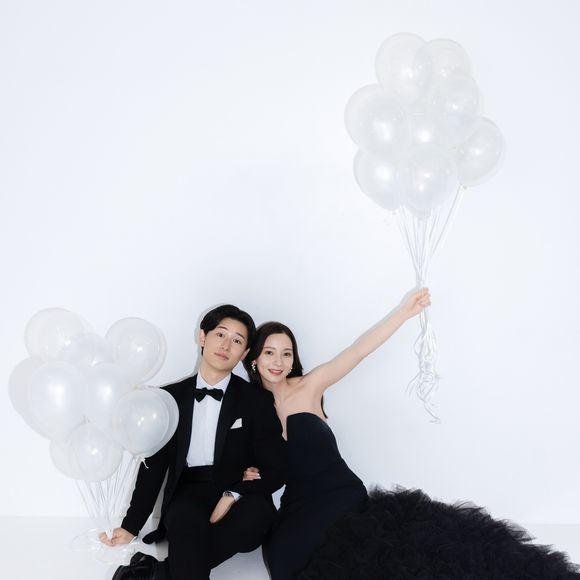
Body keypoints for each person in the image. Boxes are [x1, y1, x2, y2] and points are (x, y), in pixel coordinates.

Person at [242, 288, 580, 580]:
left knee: (401, 558)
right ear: (254, 358)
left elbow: (358, 350)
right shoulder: (250, 409)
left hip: (340, 497)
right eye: (269, 352)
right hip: (298, 506)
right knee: (284, 562)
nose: (278, 361)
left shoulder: (310, 385)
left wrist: (404, 311)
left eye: (286, 353)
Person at [100, 304, 286, 580]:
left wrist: (232, 495)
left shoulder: (256, 400)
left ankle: (160, 571)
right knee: (186, 522)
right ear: (202, 337)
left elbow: (277, 466)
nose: (226, 345)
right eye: (220, 334)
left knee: (258, 515)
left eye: (237, 341)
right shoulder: (167, 398)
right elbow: (153, 465)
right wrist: (131, 526)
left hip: (239, 493)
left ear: (245, 353)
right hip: (188, 491)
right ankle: (166, 571)